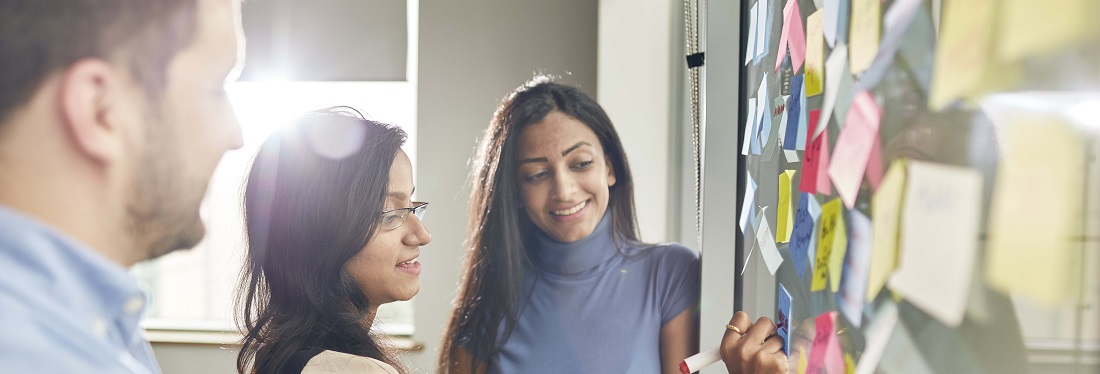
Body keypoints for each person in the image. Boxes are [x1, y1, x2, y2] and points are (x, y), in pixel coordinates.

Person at [0, 0, 243, 372]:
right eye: (215, 88)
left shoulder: (93, 320)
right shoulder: (44, 357)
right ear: (102, 111)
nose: (234, 135)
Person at [437, 77, 700, 373]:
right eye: (537, 174)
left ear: (610, 168)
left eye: (581, 163)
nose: (563, 190)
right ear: (515, 191)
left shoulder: (672, 273)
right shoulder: (490, 298)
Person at [235, 108, 432, 374]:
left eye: (410, 206)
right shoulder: (352, 369)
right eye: (391, 213)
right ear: (320, 230)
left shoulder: (282, 356)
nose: (422, 235)